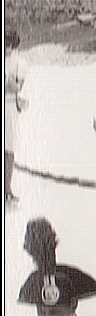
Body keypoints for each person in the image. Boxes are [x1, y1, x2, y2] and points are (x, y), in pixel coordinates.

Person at [5, 27, 28, 202]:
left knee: (9, 149)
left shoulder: (19, 63)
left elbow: (17, 86)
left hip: (10, 107)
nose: (7, 49)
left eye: (9, 45)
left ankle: (7, 188)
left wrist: (11, 84)